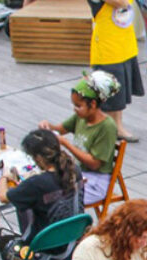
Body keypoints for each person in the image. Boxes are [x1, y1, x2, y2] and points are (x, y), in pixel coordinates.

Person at [83, 0, 144, 141]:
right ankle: (111, 129)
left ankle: (118, 126)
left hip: (123, 40)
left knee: (122, 87)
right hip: (107, 43)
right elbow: (120, 2)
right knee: (110, 88)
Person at [40, 72, 122, 209]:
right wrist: (48, 126)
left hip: (96, 181)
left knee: (53, 200)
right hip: (77, 173)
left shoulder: (107, 127)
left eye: (78, 106)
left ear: (93, 104)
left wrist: (66, 144)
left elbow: (95, 164)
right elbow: (60, 129)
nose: (75, 109)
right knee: (43, 192)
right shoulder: (81, 117)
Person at [5, 128, 82, 246]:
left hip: (44, 247)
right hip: (73, 239)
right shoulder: (74, 170)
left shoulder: (37, 183)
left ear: (38, 158)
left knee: (4, 242)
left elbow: (4, 197)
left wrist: (4, 177)